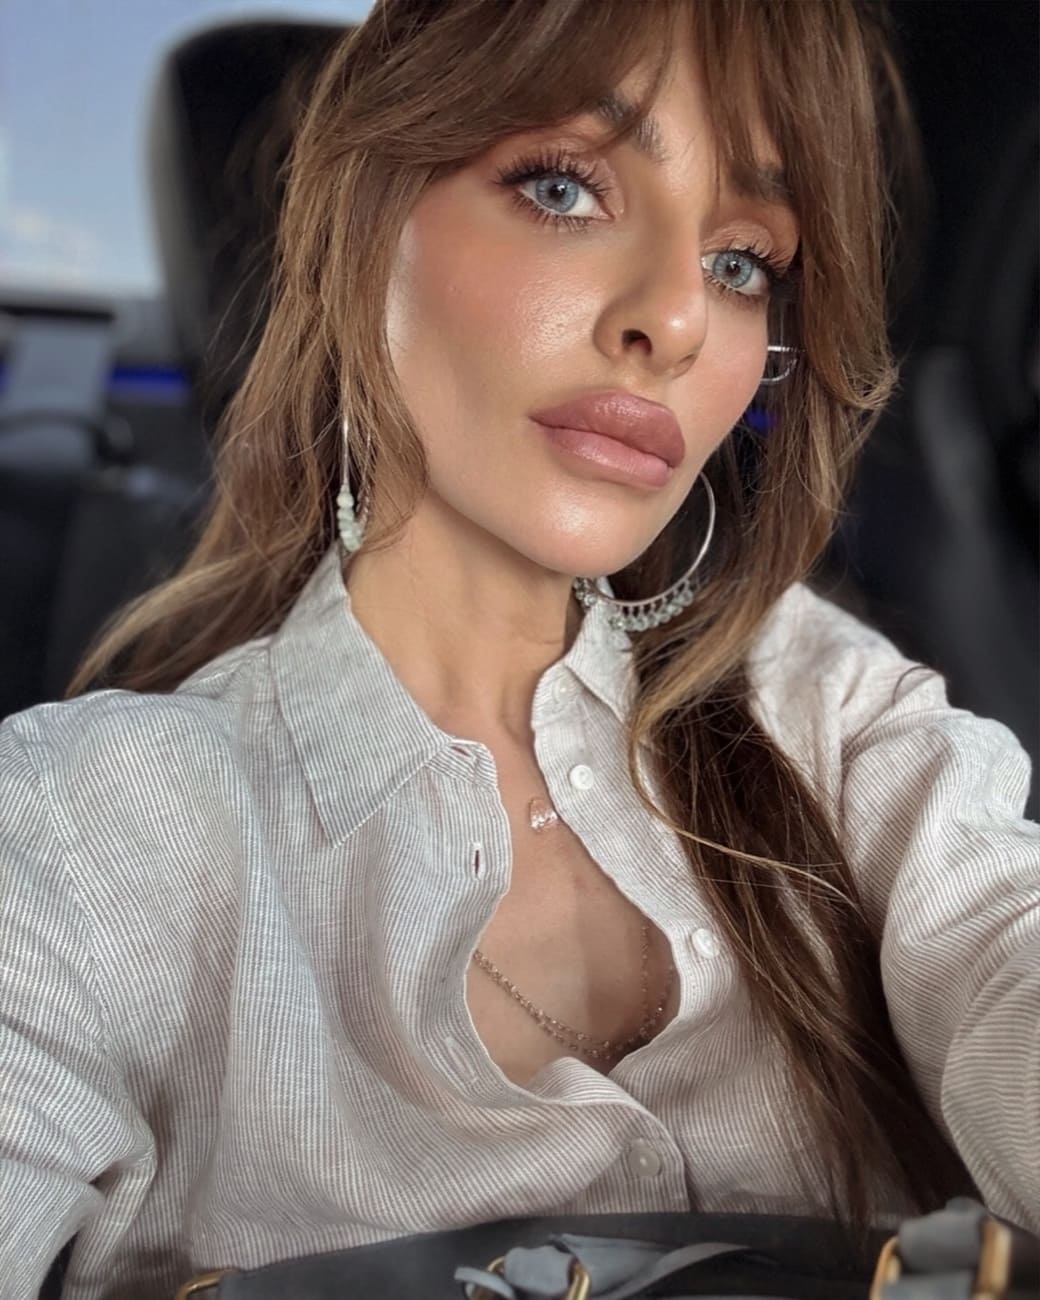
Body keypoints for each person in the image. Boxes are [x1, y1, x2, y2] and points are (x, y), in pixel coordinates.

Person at [2, 1, 1037, 1296]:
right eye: (564, 188)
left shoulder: (825, 705)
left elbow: (1006, 942)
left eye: (741, 262)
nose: (676, 317)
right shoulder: (83, 831)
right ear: (365, 224)